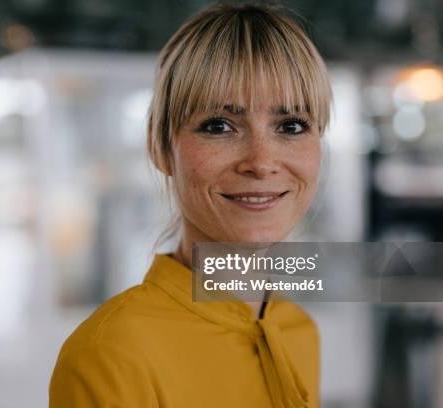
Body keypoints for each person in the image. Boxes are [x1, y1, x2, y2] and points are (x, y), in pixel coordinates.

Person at [49, 3, 332, 407]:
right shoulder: (110, 354)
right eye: (219, 126)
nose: (262, 161)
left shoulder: (299, 330)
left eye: (291, 126)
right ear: (160, 147)